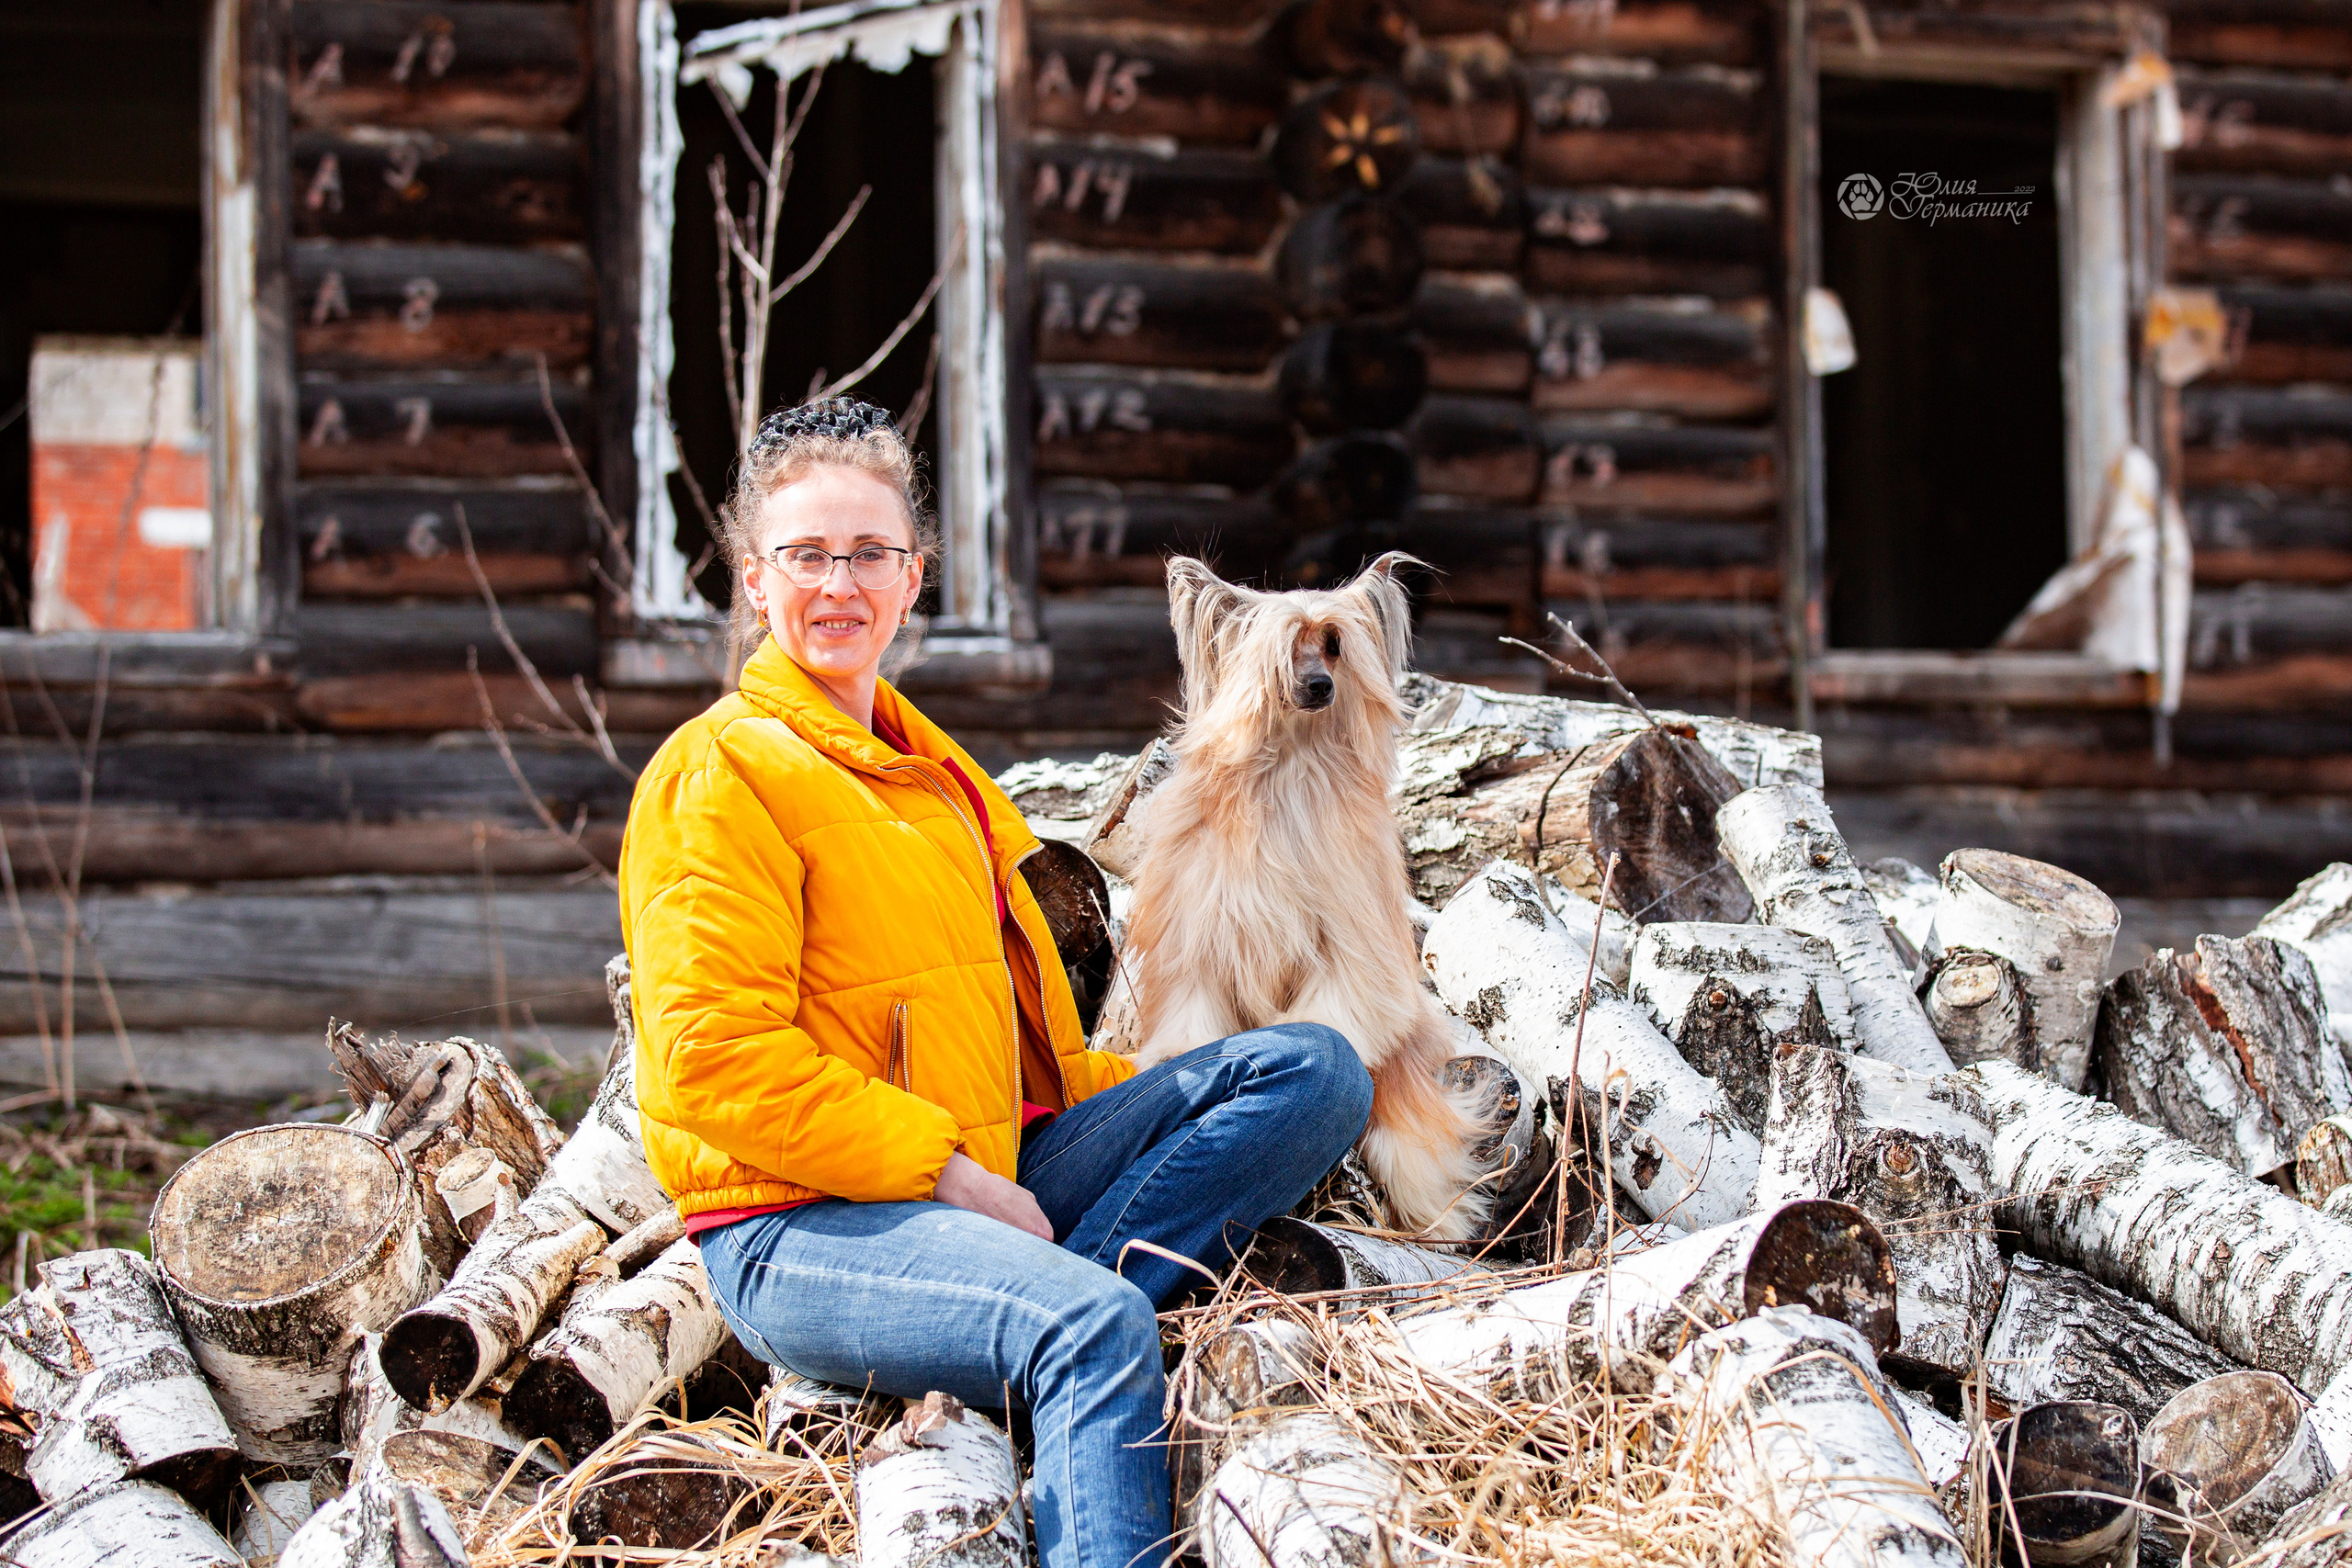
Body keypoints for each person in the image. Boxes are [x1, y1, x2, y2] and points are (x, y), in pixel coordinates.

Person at [618, 398, 1374, 1568]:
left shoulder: (938, 770)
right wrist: (948, 1176)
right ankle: (1059, 1324)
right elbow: (714, 1067)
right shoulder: (717, 773)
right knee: (1100, 1326)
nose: (839, 585)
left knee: (1314, 1070)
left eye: (869, 553)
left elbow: (1016, 1024)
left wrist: (1131, 1104)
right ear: (755, 583)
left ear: (912, 576)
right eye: (806, 555)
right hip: (802, 1222)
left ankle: (1028, 1303)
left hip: (991, 1159)